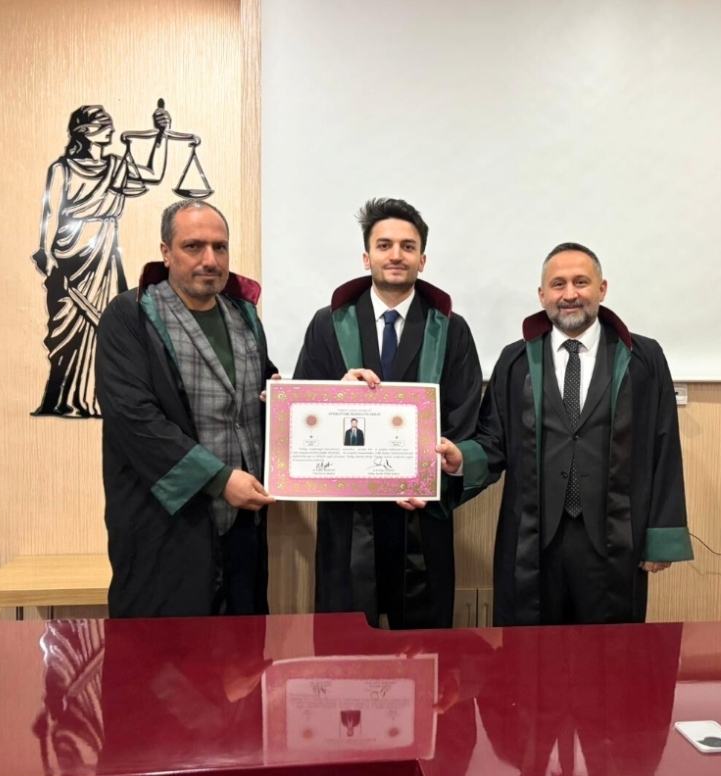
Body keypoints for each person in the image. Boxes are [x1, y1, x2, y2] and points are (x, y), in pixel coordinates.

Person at [439, 243, 692, 625]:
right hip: (534, 540)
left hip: (614, 537)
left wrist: (661, 537)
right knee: (531, 649)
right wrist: (463, 458)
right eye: (558, 284)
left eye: (581, 282)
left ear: (602, 289)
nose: (570, 294)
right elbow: (494, 439)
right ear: (542, 295)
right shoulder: (516, 360)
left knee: (610, 650)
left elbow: (664, 444)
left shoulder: (642, 358)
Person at [294, 198, 482, 629]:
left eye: (407, 246)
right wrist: (334, 397)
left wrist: (435, 478)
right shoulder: (328, 324)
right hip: (348, 518)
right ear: (367, 257)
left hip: (420, 516)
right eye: (384, 245)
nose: (396, 255)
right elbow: (303, 418)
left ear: (422, 259)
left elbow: (465, 417)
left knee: (422, 650)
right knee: (345, 648)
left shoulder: (451, 330)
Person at [96, 201, 279, 618]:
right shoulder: (132, 316)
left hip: (243, 526)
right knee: (169, 653)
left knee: (243, 647)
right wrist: (218, 478)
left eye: (220, 247)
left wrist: (333, 397)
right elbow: (133, 418)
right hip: (167, 527)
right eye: (193, 246)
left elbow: (265, 388)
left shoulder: (243, 316)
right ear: (166, 252)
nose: (210, 260)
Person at [32, 103, 171, 418]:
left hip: (105, 254)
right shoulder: (62, 169)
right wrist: (46, 254)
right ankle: (66, 399)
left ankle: (101, 399)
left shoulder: (116, 166)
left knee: (109, 327)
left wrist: (161, 135)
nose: (109, 129)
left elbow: (153, 174)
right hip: (71, 254)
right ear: (84, 132)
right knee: (68, 327)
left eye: (109, 123)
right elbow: (51, 212)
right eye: (102, 124)